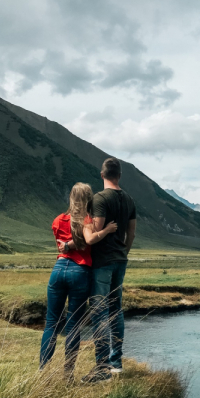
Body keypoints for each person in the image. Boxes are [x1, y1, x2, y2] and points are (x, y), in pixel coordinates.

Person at [39, 183, 118, 380]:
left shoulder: (58, 220)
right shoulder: (88, 221)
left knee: (51, 324)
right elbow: (88, 240)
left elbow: (61, 245)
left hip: (58, 270)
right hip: (80, 271)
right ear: (88, 199)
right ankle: (68, 376)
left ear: (71, 198)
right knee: (73, 325)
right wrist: (106, 230)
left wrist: (68, 245)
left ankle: (42, 372)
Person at [82, 157, 137, 384]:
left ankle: (102, 368)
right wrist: (124, 251)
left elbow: (95, 232)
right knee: (116, 309)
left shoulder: (100, 199)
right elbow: (131, 233)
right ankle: (116, 364)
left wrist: (86, 226)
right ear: (119, 175)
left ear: (102, 175)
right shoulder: (129, 199)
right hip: (120, 260)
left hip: (103, 261)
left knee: (100, 311)